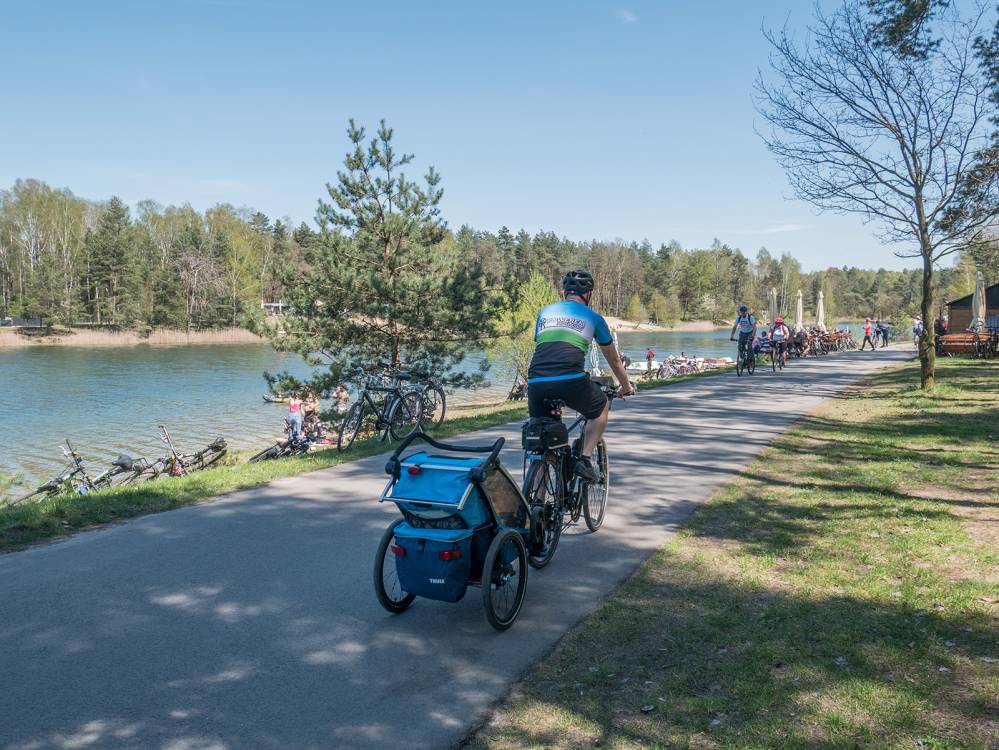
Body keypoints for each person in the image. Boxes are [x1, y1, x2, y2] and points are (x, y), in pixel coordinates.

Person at [527, 269, 633, 481]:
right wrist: (626, 386)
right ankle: (584, 459)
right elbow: (613, 360)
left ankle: (536, 504)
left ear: (564, 292)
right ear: (589, 293)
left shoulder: (545, 312)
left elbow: (548, 347)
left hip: (535, 381)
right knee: (600, 406)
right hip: (570, 379)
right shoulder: (593, 317)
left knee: (543, 440)